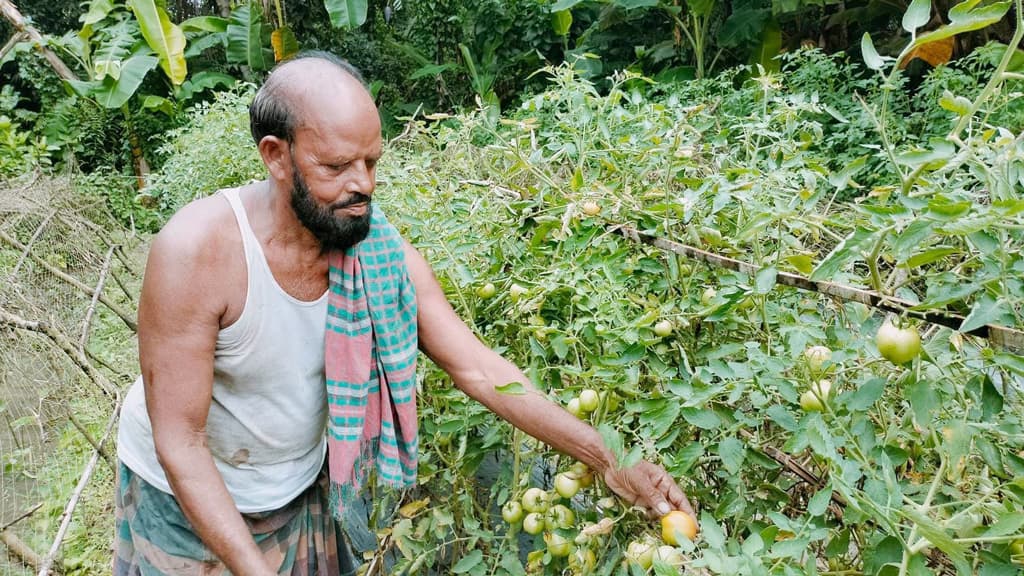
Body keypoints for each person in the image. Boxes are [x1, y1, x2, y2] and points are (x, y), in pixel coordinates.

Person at [113, 51, 693, 575]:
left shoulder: (377, 252)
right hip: (186, 501)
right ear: (276, 156)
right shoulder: (198, 253)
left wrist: (607, 458)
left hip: (299, 486)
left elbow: (478, 369)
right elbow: (181, 440)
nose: (362, 184)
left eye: (371, 161)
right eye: (337, 167)